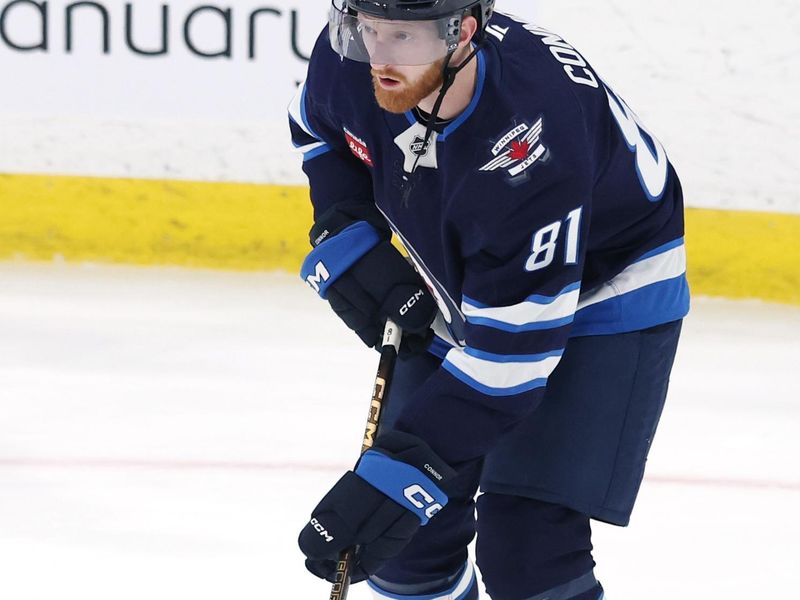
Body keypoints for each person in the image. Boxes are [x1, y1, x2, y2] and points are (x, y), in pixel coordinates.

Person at [291, 1, 689, 598]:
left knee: (529, 551)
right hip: (471, 280)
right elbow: (315, 129)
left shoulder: (530, 148)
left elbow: (510, 362)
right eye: (366, 29)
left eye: (401, 34)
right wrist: (345, 225)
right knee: (406, 550)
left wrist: (398, 474)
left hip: (604, 293)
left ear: (463, 34)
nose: (376, 54)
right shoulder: (350, 61)